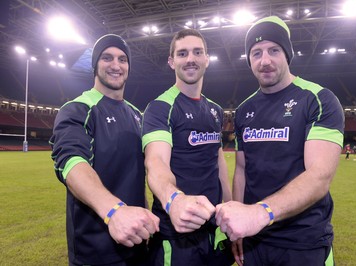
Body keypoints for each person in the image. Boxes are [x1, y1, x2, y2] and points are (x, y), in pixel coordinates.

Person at [215, 16, 344, 266]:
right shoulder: (243, 111)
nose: (265, 61)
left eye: (274, 50)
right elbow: (242, 170)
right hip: (255, 239)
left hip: (303, 242)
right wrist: (238, 225)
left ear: (287, 54)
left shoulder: (319, 100)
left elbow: (319, 176)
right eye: (256, 53)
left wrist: (260, 212)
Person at [49, 34, 159, 266]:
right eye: (107, 58)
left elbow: (136, 177)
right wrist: (114, 211)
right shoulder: (78, 109)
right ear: (95, 65)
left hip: (137, 243)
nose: (116, 65)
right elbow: (72, 163)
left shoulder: (136, 115)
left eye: (122, 59)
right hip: (95, 252)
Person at [142, 29, 233, 266]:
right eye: (182, 53)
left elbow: (218, 161)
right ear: (172, 62)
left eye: (197, 52)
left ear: (207, 59)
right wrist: (174, 200)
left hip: (213, 230)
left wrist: (229, 208)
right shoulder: (160, 107)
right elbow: (156, 162)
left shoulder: (215, 110)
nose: (190, 58)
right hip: (177, 236)